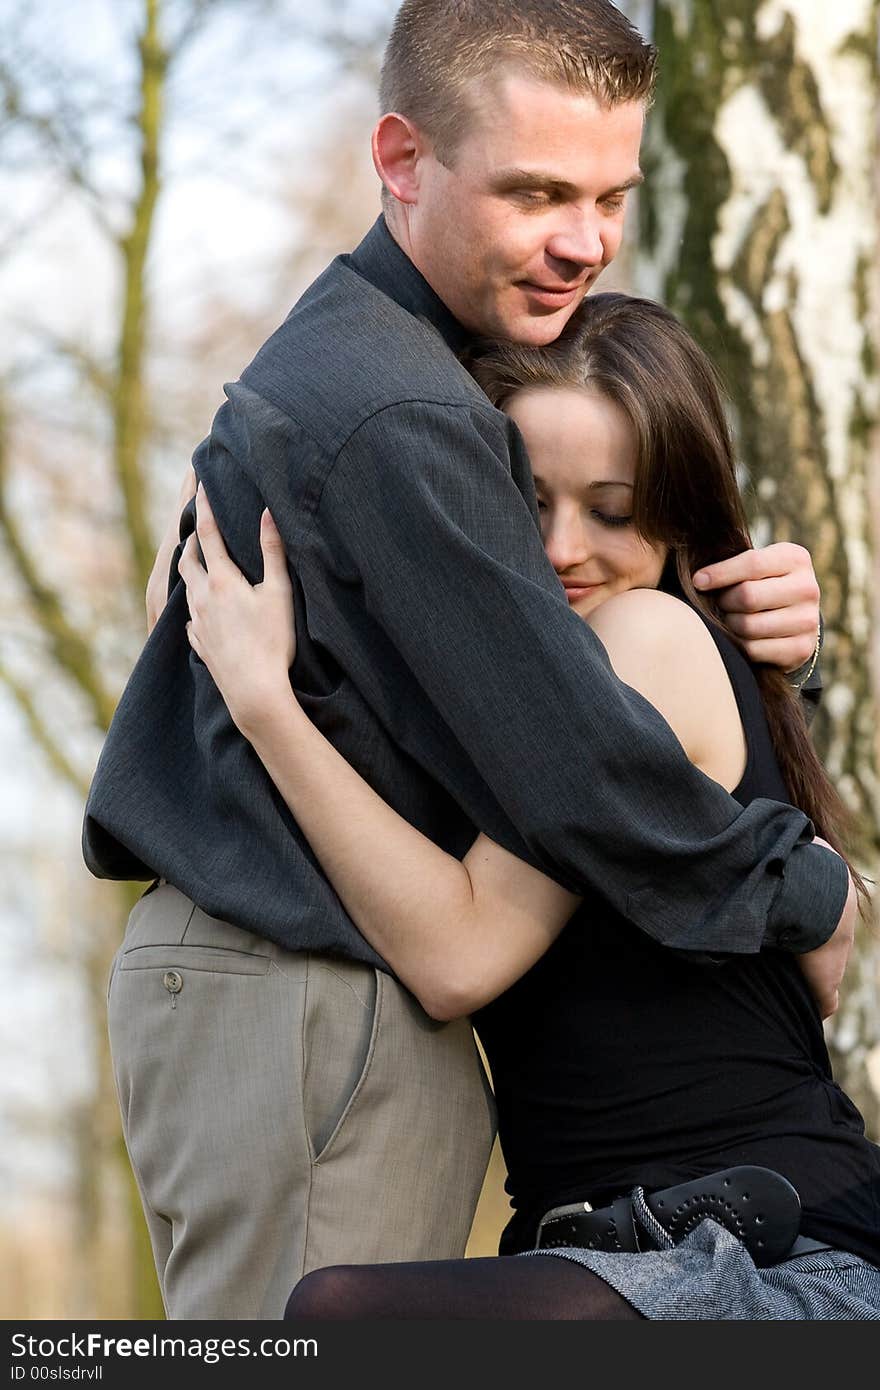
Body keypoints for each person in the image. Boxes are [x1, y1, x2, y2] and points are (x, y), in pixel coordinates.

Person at [83, 0, 850, 1320]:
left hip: (732, 1226)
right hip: (345, 1023)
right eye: (540, 190)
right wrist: (801, 883)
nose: (584, 240)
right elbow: (576, 793)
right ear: (400, 162)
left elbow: (586, 760)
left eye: (608, 193)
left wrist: (784, 695)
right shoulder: (404, 411)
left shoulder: (372, 382)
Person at [179, 292, 879, 1321]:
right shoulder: (506, 706)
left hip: (777, 1259)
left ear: (678, 524)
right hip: (600, 1254)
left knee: (338, 1320)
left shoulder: (644, 636)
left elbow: (457, 956)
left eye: (610, 509)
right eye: (522, 501)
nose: (559, 549)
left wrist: (265, 706)